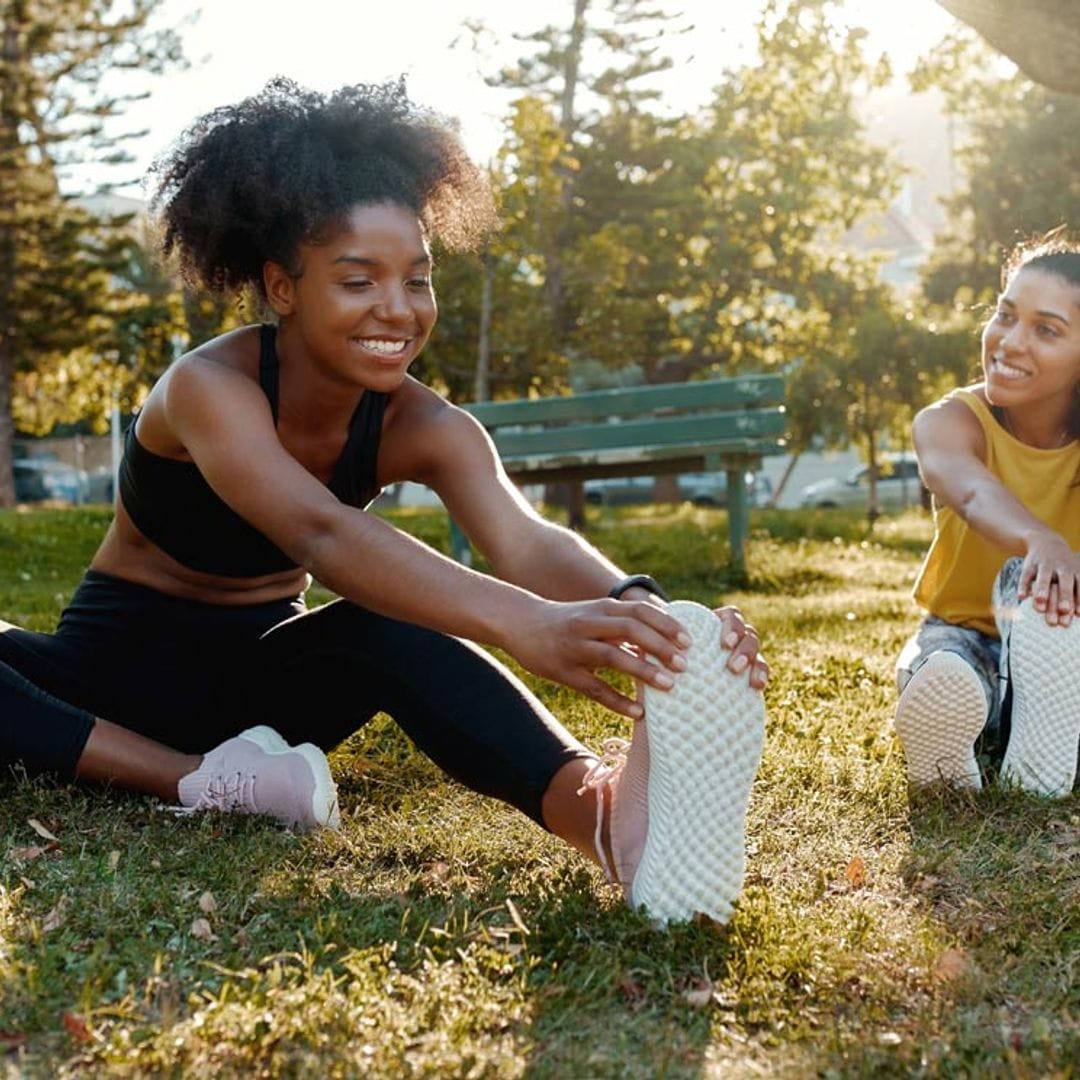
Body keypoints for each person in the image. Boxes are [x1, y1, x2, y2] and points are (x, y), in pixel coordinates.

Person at [0, 79, 769, 925]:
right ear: (283, 288)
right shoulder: (208, 388)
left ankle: (609, 817)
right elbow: (322, 533)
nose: (397, 310)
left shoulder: (425, 423)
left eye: (417, 279)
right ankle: (196, 782)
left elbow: (524, 539)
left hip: (264, 698)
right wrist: (524, 623)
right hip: (97, 686)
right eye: (358, 280)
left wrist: (651, 618)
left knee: (393, 624)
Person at [894, 233, 1080, 798]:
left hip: (1064, 631)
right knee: (945, 669)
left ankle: (1029, 726)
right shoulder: (950, 420)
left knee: (1049, 622)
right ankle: (964, 725)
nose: (1009, 341)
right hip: (963, 629)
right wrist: (1039, 539)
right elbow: (972, 493)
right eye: (1005, 315)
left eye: (1046, 330)